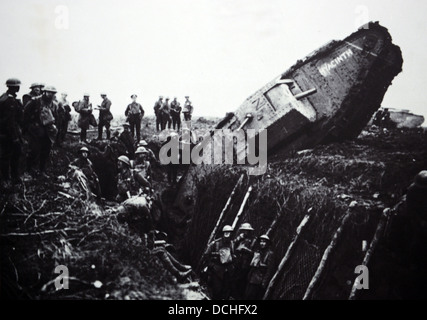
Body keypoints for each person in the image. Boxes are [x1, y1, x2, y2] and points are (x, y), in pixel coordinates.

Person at [23, 85, 58, 178]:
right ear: (45, 92)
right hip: (35, 131)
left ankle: (42, 170)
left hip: (48, 131)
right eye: (49, 92)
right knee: (33, 150)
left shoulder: (54, 104)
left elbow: (56, 117)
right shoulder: (35, 101)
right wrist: (30, 127)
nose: (51, 94)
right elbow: (25, 114)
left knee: (46, 151)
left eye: (53, 93)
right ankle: (27, 170)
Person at [0, 78, 24, 185]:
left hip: (9, 132)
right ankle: (6, 179)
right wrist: (14, 137)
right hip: (8, 134)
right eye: (17, 86)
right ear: (14, 87)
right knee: (7, 156)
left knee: (16, 154)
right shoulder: (9, 101)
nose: (19, 88)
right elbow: (10, 121)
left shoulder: (5, 98)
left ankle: (14, 176)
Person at [204, 225, 235, 300]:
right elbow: (206, 255)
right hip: (216, 270)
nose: (228, 235)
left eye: (229, 233)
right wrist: (212, 265)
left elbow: (232, 255)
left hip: (227, 271)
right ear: (223, 233)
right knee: (216, 290)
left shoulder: (231, 243)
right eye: (226, 233)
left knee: (225, 291)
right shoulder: (216, 243)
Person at [245, 234, 275, 300]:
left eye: (264, 242)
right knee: (247, 295)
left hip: (259, 280)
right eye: (261, 241)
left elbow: (269, 270)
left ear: (267, 243)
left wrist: (264, 282)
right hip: (251, 277)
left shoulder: (269, 254)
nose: (262, 243)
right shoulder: (257, 251)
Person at [232, 222, 255, 299]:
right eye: (244, 230)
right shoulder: (240, 237)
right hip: (237, 261)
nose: (245, 232)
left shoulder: (253, 240)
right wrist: (239, 239)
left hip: (245, 264)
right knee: (233, 278)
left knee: (240, 280)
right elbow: (233, 244)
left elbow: (254, 253)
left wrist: (246, 250)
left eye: (247, 230)